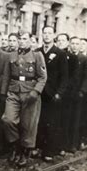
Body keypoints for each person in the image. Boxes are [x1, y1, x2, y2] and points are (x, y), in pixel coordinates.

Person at [1, 31, 47, 167]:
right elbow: (6, 75)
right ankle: (15, 146)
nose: (22, 41)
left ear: (30, 40)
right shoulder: (12, 55)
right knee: (7, 120)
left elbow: (42, 77)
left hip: (30, 94)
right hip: (13, 92)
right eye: (20, 39)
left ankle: (25, 152)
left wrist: (36, 91)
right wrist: (4, 93)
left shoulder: (37, 56)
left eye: (25, 39)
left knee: (28, 125)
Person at [36, 26, 68, 161]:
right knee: (38, 120)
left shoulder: (59, 53)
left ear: (53, 35)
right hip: (39, 92)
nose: (47, 35)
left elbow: (64, 76)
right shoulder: (37, 51)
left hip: (52, 93)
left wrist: (59, 93)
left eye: (49, 33)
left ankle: (49, 151)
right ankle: (37, 147)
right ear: (41, 35)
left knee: (51, 122)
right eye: (45, 33)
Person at [57, 34, 85, 153]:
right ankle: (64, 143)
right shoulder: (66, 57)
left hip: (78, 93)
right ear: (70, 44)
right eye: (72, 43)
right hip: (66, 92)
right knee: (65, 118)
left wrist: (82, 91)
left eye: (77, 44)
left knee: (76, 118)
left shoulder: (84, 59)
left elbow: (86, 77)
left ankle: (73, 143)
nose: (74, 46)